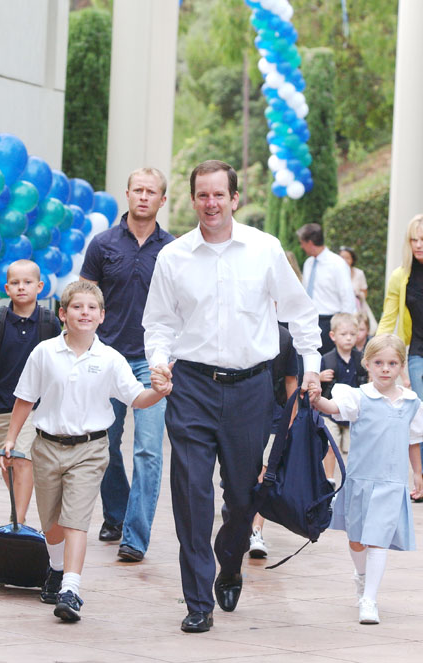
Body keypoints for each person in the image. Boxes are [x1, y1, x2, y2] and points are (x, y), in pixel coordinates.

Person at [143, 160, 322, 633]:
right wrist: (159, 360)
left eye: (219, 194)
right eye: (202, 195)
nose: (211, 203)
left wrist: (308, 369)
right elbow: (158, 323)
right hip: (192, 389)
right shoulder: (174, 257)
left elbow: (300, 312)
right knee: (190, 493)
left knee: (243, 498)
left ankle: (231, 560)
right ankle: (198, 599)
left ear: (235, 198)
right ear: (193, 199)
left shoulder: (264, 249)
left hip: (250, 390)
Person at [0, 281, 172, 622]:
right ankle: (56, 567)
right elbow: (25, 398)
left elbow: (137, 398)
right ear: (63, 314)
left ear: (102, 316)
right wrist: (11, 438)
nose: (85, 313)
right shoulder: (45, 353)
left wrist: (159, 392)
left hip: (91, 449)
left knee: (75, 521)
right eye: (77, 307)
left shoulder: (110, 359)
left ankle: (71, 589)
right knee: (51, 524)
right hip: (47, 446)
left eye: (92, 308)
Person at [80, 167, 174, 562]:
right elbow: (85, 298)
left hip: (153, 362)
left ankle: (135, 537)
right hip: (107, 359)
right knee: (104, 446)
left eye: (151, 192)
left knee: (149, 450)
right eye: (138, 190)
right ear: (127, 193)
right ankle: (115, 514)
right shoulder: (102, 245)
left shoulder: (173, 250)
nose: (143, 197)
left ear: (162, 200)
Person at [309, 334, 423, 625]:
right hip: (360, 480)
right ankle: (361, 577)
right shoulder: (358, 396)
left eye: (392, 363)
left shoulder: (411, 403)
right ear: (368, 364)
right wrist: (317, 398)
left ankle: (370, 599)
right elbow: (333, 409)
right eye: (379, 363)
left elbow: (413, 441)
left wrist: (418, 473)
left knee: (378, 540)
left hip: (391, 482)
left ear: (400, 367)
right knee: (357, 540)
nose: (386, 369)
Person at [0, 259, 60, 523]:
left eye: (28, 282)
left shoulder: (49, 322)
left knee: (22, 460)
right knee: (8, 467)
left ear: (39, 286)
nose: (22, 287)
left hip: (34, 408)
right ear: (7, 288)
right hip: (0, 406)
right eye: (16, 283)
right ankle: (18, 514)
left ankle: (17, 524)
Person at [377, 214, 423, 480]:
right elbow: (388, 317)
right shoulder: (401, 277)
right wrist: (376, 351)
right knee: (419, 412)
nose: (418, 245)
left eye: (422, 239)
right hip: (417, 350)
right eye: (413, 239)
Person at [249, 323, 298, 559]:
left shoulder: (284, 336)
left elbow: (291, 379)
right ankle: (239, 525)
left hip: (275, 416)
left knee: (266, 475)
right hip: (242, 416)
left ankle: (255, 530)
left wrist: (293, 419)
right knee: (242, 478)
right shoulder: (239, 326)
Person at [319, 313, 367, 485]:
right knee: (331, 446)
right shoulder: (327, 359)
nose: (348, 338)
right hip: (329, 411)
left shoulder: (360, 360)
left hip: (352, 413)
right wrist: (319, 377)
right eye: (344, 334)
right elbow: (315, 385)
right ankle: (329, 479)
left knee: (352, 449)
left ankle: (351, 479)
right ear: (332, 336)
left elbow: (366, 383)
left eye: (352, 334)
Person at [297, 223, 356, 355]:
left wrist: (344, 327)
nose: (301, 246)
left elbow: (347, 296)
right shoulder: (308, 263)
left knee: (328, 365)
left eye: (302, 243)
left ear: (310, 243)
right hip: (310, 321)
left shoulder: (337, 264)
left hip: (329, 321)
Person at [339, 245, 377, 334]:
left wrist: (357, 294)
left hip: (357, 307)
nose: (344, 260)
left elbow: (365, 292)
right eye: (342, 257)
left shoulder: (359, 273)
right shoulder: (336, 273)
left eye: (347, 258)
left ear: (352, 259)